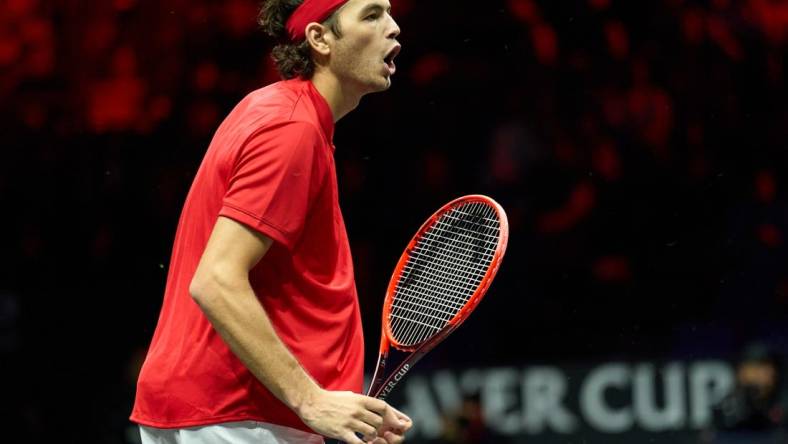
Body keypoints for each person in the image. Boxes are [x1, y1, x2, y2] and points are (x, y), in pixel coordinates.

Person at [130, 1, 410, 443]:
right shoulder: (291, 129)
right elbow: (216, 280)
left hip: (231, 414)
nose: (393, 28)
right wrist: (311, 401)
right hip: (236, 413)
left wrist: (340, 409)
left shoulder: (277, 111)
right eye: (372, 15)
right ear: (320, 39)